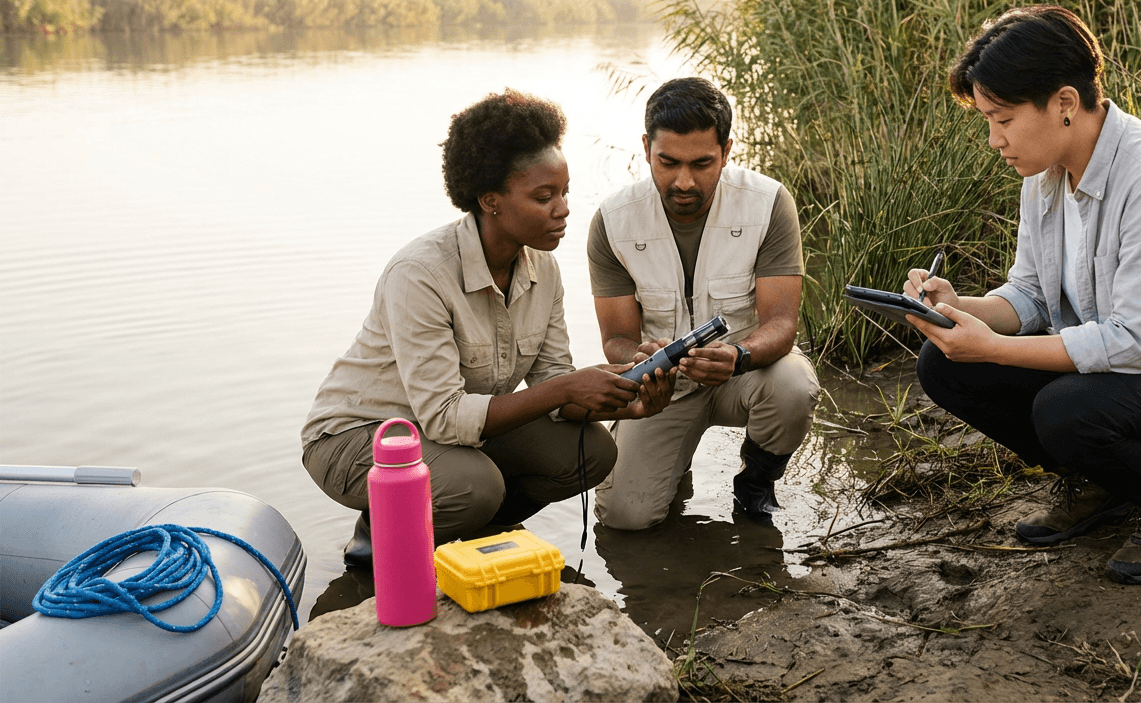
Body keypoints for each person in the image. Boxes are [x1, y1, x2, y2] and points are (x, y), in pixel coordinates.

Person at [904, 5, 1141, 584]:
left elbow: (1134, 345)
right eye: (986, 121)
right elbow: (1030, 294)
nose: (992, 140)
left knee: (1067, 408)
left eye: (1001, 119)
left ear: (1063, 104)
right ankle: (1101, 481)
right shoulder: (1043, 174)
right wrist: (960, 309)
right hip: (1123, 379)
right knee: (944, 365)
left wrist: (994, 348)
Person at [301, 90, 674, 567]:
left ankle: (478, 531)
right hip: (359, 437)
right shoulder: (420, 273)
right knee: (475, 486)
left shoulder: (543, 268)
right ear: (490, 200)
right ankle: (385, 527)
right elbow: (445, 416)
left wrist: (632, 401)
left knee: (592, 451)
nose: (562, 209)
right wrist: (565, 387)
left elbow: (553, 384)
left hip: (446, 437)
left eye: (564, 191)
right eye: (544, 197)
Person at [587, 77, 821, 530]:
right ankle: (673, 472)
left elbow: (781, 323)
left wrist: (738, 356)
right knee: (624, 520)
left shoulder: (769, 203)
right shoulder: (612, 221)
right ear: (645, 148)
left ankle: (756, 484)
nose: (684, 182)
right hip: (664, 390)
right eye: (667, 162)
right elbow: (616, 339)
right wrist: (638, 357)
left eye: (702, 163)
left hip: (746, 375)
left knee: (792, 387)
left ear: (728, 150)